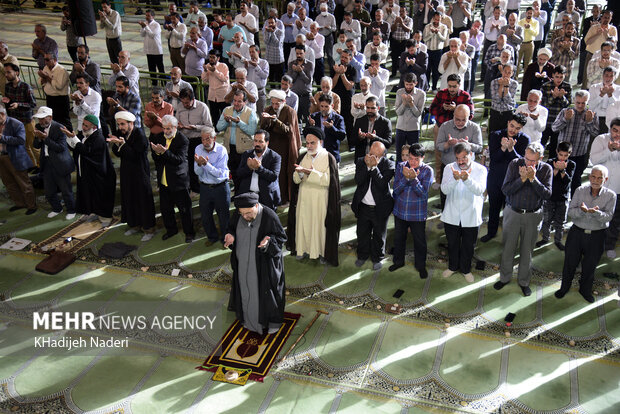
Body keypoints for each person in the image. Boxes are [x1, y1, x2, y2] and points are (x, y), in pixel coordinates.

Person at [224, 192, 287, 334]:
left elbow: (281, 239)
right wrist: (230, 235)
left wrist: (268, 242)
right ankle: (247, 319)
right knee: (245, 290)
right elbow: (231, 229)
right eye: (242, 213)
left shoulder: (269, 216)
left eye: (248, 213)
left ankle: (272, 322)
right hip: (243, 264)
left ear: (257, 206)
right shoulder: (238, 215)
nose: (245, 216)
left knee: (267, 295)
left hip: (264, 266)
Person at [495, 142, 552, 296]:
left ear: (540, 159)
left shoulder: (546, 169)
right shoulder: (515, 164)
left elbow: (547, 194)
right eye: (527, 159)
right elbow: (505, 190)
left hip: (533, 215)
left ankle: (524, 282)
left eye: (533, 161)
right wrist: (521, 179)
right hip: (513, 213)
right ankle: (504, 278)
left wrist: (533, 180)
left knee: (527, 250)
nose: (528, 163)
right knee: (508, 248)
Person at [555, 166, 617, 303]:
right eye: (593, 177)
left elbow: (608, 217)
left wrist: (596, 213)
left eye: (600, 178)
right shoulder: (580, 190)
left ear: (605, 179)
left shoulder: (611, 195)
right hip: (577, 233)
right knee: (570, 263)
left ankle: (585, 290)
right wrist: (582, 211)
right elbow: (571, 212)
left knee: (590, 265)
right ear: (589, 177)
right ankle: (564, 288)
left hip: (597, 236)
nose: (596, 180)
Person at [287, 127, 341, 266]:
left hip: (320, 200)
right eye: (307, 143)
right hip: (304, 199)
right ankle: (302, 249)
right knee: (303, 224)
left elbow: (329, 181)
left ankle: (321, 253)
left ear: (320, 142)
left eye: (313, 143)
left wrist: (310, 173)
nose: (309, 146)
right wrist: (300, 174)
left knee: (319, 227)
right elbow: (296, 180)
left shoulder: (328, 157)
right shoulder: (302, 157)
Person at [441, 142, 487, 283]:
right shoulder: (449, 168)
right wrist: (455, 180)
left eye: (464, 158)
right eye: (458, 158)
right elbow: (444, 190)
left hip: (471, 215)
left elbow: (479, 190)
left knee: (468, 245)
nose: (460, 162)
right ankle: (452, 266)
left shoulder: (481, 169)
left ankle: (466, 269)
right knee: (452, 243)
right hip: (452, 215)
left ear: (471, 155)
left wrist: (467, 179)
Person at [481, 113, 530, 242]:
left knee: (510, 210)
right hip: (495, 179)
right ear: (508, 123)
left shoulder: (524, 139)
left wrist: (511, 149)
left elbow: (520, 162)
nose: (513, 130)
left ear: (521, 128)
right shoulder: (496, 135)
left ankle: (509, 236)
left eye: (517, 128)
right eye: (512, 126)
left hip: (512, 181)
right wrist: (503, 148)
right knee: (493, 208)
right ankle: (491, 233)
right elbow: (494, 158)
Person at [62, 115, 117, 228]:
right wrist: (70, 137)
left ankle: (105, 217)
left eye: (86, 126)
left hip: (99, 175)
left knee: (100, 196)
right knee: (90, 194)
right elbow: (76, 147)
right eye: (83, 124)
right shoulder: (86, 135)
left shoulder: (98, 138)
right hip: (89, 173)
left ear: (94, 127)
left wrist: (74, 138)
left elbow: (86, 151)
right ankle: (95, 212)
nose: (83, 127)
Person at [107, 111, 156, 231]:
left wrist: (122, 144)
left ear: (131, 123)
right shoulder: (120, 133)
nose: (120, 127)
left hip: (140, 172)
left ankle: (148, 227)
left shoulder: (140, 135)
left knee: (142, 198)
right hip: (126, 171)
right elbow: (117, 153)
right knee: (129, 197)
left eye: (123, 124)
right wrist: (117, 144)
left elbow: (135, 155)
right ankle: (134, 224)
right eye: (118, 124)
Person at [390, 143, 433, 278]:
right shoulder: (401, 166)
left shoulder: (427, 171)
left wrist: (413, 179)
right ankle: (398, 262)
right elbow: (396, 190)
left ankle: (420, 266)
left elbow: (423, 194)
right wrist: (405, 178)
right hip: (400, 211)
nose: (413, 162)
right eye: (411, 158)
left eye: (416, 159)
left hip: (417, 214)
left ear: (423, 158)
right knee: (399, 239)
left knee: (419, 241)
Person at [150, 115, 195, 243]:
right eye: (164, 128)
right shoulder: (159, 137)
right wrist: (157, 152)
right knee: (166, 209)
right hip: (164, 181)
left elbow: (179, 160)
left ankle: (189, 233)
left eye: (169, 128)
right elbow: (156, 159)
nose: (166, 131)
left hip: (179, 181)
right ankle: (171, 230)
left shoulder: (182, 140)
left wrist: (164, 152)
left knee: (184, 209)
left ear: (175, 127)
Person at [352, 141, 394, 271]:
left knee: (379, 235)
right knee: (362, 233)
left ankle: (377, 258)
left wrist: (374, 168)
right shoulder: (361, 161)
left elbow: (382, 184)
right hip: (363, 206)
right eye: (370, 154)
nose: (371, 157)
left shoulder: (389, 165)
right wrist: (367, 167)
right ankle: (362, 255)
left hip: (380, 207)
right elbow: (358, 180)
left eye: (375, 156)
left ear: (382, 155)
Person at [552, 90, 599, 196]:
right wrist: (565, 119)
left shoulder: (592, 114)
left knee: (576, 182)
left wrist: (589, 122)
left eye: (583, 103)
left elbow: (595, 133)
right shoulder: (564, 112)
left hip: (579, 154)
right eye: (578, 102)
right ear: (574, 100)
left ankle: (575, 203)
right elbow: (554, 128)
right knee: (558, 180)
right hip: (562, 155)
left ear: (587, 102)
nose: (580, 105)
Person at [436, 104, 483, 208]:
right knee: (445, 197)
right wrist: (448, 144)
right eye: (457, 119)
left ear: (469, 117)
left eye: (463, 120)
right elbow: (438, 146)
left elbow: (479, 148)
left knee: (466, 197)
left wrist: (469, 145)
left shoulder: (475, 128)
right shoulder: (445, 126)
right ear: (453, 115)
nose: (460, 122)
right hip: (448, 167)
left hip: (467, 169)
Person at [32, 106, 75, 220]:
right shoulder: (38, 127)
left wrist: (45, 138)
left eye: (43, 118)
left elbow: (60, 148)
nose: (40, 121)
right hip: (46, 163)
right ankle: (57, 208)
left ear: (50, 117)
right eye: (39, 119)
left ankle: (71, 210)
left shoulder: (59, 128)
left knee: (66, 190)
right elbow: (36, 146)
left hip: (60, 163)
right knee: (49, 191)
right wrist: (38, 138)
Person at [260, 89, 301, 204]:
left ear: (283, 102)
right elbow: (263, 128)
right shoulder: (268, 110)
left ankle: (283, 199)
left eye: (277, 104)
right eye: (272, 103)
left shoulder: (290, 112)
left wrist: (275, 120)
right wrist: (266, 120)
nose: (274, 106)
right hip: (271, 146)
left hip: (284, 148)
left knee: (282, 174)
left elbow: (289, 131)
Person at [590, 117, 620, 259]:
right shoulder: (600, 140)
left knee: (615, 220)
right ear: (610, 129)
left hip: (618, 189)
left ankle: (609, 246)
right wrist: (609, 150)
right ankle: (593, 246)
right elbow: (593, 161)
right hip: (600, 189)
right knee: (596, 217)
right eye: (615, 130)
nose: (617, 134)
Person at [536, 141, 575, 250]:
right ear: (557, 152)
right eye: (561, 155)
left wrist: (562, 170)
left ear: (569, 154)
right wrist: (556, 169)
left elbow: (568, 180)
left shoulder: (571, 164)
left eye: (565, 155)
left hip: (563, 199)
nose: (562, 158)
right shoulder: (550, 162)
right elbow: (549, 179)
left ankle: (558, 240)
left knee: (560, 223)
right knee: (546, 220)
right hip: (550, 198)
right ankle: (545, 238)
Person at [195, 127, 230, 245]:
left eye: (208, 139)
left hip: (220, 187)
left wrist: (206, 164)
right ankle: (212, 237)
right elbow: (197, 172)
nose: (205, 142)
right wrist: (199, 165)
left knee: (223, 216)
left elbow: (219, 174)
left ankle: (226, 240)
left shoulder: (221, 150)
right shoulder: (198, 149)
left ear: (214, 138)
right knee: (205, 215)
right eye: (203, 139)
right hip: (205, 187)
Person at [217, 90, 259, 189]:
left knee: (244, 175)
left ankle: (244, 194)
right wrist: (226, 122)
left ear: (245, 102)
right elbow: (218, 127)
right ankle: (237, 193)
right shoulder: (226, 110)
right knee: (234, 173)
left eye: (239, 101)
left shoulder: (251, 112)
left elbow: (252, 131)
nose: (236, 103)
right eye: (234, 100)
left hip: (244, 150)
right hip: (229, 148)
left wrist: (239, 122)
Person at [0, 104, 36, 215]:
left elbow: (21, 140)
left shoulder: (16, 124)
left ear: (2, 114)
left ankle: (31, 205)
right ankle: (19, 203)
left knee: (23, 182)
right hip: (1, 158)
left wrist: (3, 138)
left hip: (14, 157)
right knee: (9, 183)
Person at [176, 87, 213, 194]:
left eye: (187, 103)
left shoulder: (202, 107)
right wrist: (177, 125)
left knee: (199, 164)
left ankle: (204, 187)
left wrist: (195, 127)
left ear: (193, 99)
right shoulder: (180, 107)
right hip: (184, 139)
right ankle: (193, 188)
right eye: (183, 102)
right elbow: (176, 120)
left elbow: (209, 127)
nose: (185, 105)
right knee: (188, 165)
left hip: (198, 140)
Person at [2, 63, 38, 169]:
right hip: (15, 122)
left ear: (16, 73)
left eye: (9, 72)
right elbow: (10, 103)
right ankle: (32, 166)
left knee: (34, 146)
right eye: (5, 72)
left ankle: (42, 167)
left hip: (27, 122)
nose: (6, 75)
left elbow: (33, 104)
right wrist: (8, 101)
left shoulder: (25, 87)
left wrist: (18, 105)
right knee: (24, 146)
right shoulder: (8, 87)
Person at [236, 130, 281, 210]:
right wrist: (249, 168)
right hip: (248, 195)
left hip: (266, 197)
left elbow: (273, 176)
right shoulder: (247, 154)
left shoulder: (275, 157)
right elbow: (239, 173)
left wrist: (259, 168)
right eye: (255, 141)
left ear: (267, 143)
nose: (257, 144)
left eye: (260, 141)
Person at [541, 65, 571, 160]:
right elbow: (543, 105)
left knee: (554, 148)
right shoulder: (546, 86)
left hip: (559, 122)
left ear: (565, 76)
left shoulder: (567, 86)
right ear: (553, 75)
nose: (559, 79)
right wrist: (553, 96)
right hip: (546, 121)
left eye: (561, 77)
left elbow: (568, 105)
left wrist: (562, 97)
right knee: (541, 145)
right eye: (557, 77)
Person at [394, 73, 425, 162]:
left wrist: (411, 103)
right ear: (404, 83)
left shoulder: (421, 94)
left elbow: (418, 113)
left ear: (416, 83)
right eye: (406, 84)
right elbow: (398, 112)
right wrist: (404, 103)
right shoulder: (399, 92)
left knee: (413, 154)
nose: (408, 87)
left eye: (411, 84)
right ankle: (399, 170)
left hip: (413, 128)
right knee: (399, 154)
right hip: (400, 127)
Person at [308, 94, 346, 163]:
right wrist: (311, 125)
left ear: (332, 106)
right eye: (321, 106)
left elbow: (342, 136)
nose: (323, 109)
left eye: (326, 106)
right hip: (316, 155)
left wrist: (331, 128)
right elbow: (306, 134)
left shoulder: (338, 118)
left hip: (331, 156)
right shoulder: (314, 117)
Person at [352, 96, 392, 162]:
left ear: (378, 108)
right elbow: (352, 141)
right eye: (368, 108)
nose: (370, 110)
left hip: (378, 161)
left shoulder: (385, 123)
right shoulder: (359, 121)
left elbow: (388, 143)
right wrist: (360, 137)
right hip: (362, 160)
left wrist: (375, 138)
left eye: (373, 108)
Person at [38, 52, 71, 131]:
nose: (45, 62)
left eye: (47, 60)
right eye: (44, 60)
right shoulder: (46, 68)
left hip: (60, 99)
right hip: (50, 98)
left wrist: (47, 77)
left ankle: (70, 136)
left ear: (55, 60)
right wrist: (43, 78)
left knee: (63, 121)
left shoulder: (61, 70)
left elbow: (59, 86)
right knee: (52, 120)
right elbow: (40, 83)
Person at [588, 67, 620, 134]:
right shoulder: (594, 87)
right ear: (603, 76)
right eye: (606, 75)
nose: (608, 78)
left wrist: (610, 95)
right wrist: (601, 95)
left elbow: (617, 107)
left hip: (612, 120)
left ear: (615, 77)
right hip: (596, 118)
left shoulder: (618, 89)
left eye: (611, 76)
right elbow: (590, 106)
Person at [202, 51, 231, 124]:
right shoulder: (208, 66)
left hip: (223, 96)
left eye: (213, 57)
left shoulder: (223, 66)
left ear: (218, 58)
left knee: (226, 117)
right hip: (212, 96)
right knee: (214, 117)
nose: (211, 59)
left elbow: (224, 79)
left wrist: (215, 71)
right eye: (210, 57)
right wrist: (205, 71)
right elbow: (204, 80)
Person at [286, 45, 314, 121]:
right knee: (296, 119)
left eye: (301, 53)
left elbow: (308, 81)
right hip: (295, 96)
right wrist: (296, 71)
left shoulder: (310, 64)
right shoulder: (291, 64)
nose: (299, 55)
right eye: (297, 53)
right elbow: (290, 80)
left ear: (305, 53)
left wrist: (301, 72)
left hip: (306, 96)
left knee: (308, 119)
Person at [489, 64, 519, 133]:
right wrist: (501, 86)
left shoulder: (514, 84)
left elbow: (508, 101)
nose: (506, 74)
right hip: (495, 112)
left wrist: (506, 86)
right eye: (505, 71)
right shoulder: (494, 82)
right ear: (502, 71)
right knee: (493, 135)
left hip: (507, 113)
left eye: (509, 72)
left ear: (512, 73)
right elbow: (496, 99)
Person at [424, 12, 449, 91]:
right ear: (433, 18)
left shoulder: (444, 27)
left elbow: (444, 39)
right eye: (435, 19)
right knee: (427, 70)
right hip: (428, 50)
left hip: (438, 51)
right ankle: (426, 86)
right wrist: (431, 33)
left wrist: (437, 33)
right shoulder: (427, 26)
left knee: (436, 70)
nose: (437, 21)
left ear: (441, 19)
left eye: (439, 19)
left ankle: (434, 87)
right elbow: (424, 39)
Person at [139, 9, 165, 84]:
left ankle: (164, 83)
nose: (146, 17)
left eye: (148, 15)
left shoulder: (156, 25)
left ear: (153, 16)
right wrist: (143, 27)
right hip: (149, 50)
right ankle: (154, 83)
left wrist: (146, 26)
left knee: (160, 68)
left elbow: (152, 35)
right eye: (146, 15)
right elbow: (142, 35)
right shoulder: (146, 24)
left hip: (156, 50)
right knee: (151, 68)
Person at [99, 0, 123, 64]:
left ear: (109, 6)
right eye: (102, 7)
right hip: (108, 39)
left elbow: (113, 27)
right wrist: (101, 19)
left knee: (119, 58)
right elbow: (101, 27)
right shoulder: (104, 14)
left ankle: (121, 70)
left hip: (115, 39)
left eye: (105, 7)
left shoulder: (115, 14)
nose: (104, 9)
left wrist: (105, 18)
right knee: (112, 58)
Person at [263, 16, 285, 82]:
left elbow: (277, 43)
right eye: (269, 23)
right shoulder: (266, 31)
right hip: (269, 59)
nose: (270, 24)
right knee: (271, 79)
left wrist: (272, 32)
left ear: (276, 23)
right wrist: (268, 33)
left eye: (272, 22)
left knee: (279, 79)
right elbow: (266, 42)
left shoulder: (280, 32)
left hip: (278, 60)